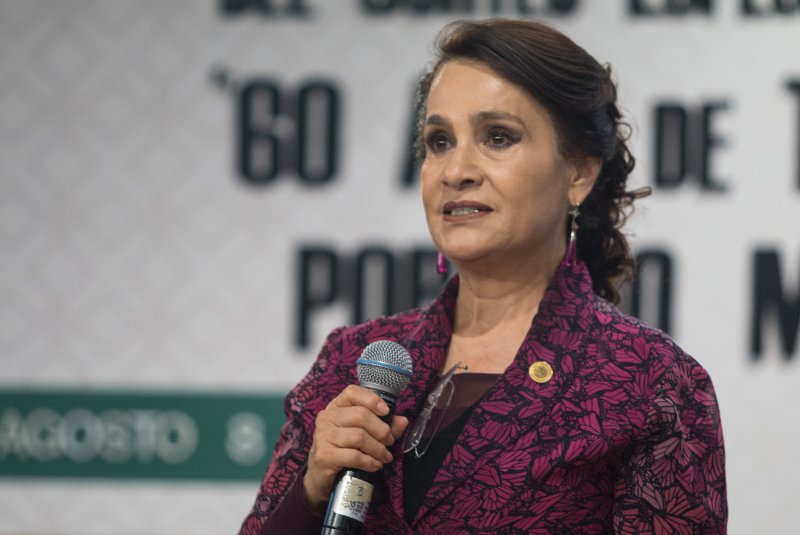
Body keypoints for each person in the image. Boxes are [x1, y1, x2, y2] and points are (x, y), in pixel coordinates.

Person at [239, 18, 727, 534]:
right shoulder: (353, 360)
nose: (456, 171)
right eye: (439, 141)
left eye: (498, 137)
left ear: (579, 173)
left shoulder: (651, 382)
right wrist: (311, 490)